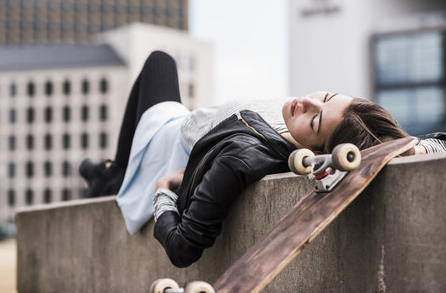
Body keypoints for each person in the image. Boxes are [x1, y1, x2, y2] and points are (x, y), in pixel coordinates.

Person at [79, 51, 446, 267]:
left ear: (316, 153)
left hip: (164, 154)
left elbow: (182, 248)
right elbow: (440, 140)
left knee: (159, 62)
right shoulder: (284, 131)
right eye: (327, 96)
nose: (307, 103)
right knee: (155, 77)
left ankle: (113, 175)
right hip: (183, 135)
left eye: (315, 120)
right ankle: (109, 174)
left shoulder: (243, 158)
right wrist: (411, 148)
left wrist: (162, 192)